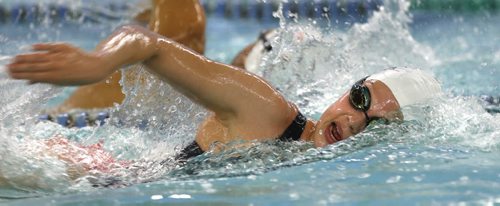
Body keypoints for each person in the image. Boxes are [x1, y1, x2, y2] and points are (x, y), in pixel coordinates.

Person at [6, 25, 442, 161]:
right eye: (360, 99)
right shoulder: (267, 110)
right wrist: (95, 64)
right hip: (100, 178)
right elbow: (147, 42)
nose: (352, 120)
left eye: (377, 123)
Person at [56, 0, 206, 112]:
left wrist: (99, 63)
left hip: (89, 118)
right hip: (98, 118)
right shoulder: (177, 13)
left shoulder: (179, 13)